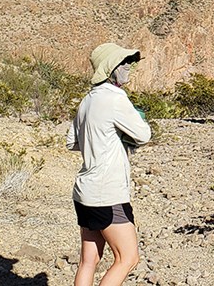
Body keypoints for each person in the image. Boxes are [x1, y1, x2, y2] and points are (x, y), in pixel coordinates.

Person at [66, 43, 152, 286]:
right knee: (127, 258)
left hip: (84, 191)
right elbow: (143, 134)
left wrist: (100, 140)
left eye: (130, 63)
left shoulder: (87, 101)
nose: (129, 68)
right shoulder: (116, 98)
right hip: (108, 193)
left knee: (89, 261)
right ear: (110, 69)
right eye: (123, 64)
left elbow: (72, 141)